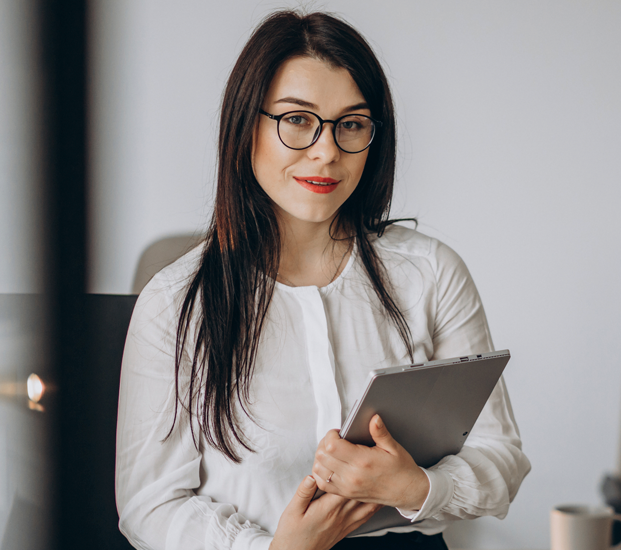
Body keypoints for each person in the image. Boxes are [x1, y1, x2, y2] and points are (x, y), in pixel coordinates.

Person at [115, 10, 530, 550]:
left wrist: (417, 486)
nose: (327, 150)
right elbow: (150, 504)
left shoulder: (430, 274)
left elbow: (501, 461)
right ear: (247, 128)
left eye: (351, 123)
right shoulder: (175, 303)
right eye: (297, 119)